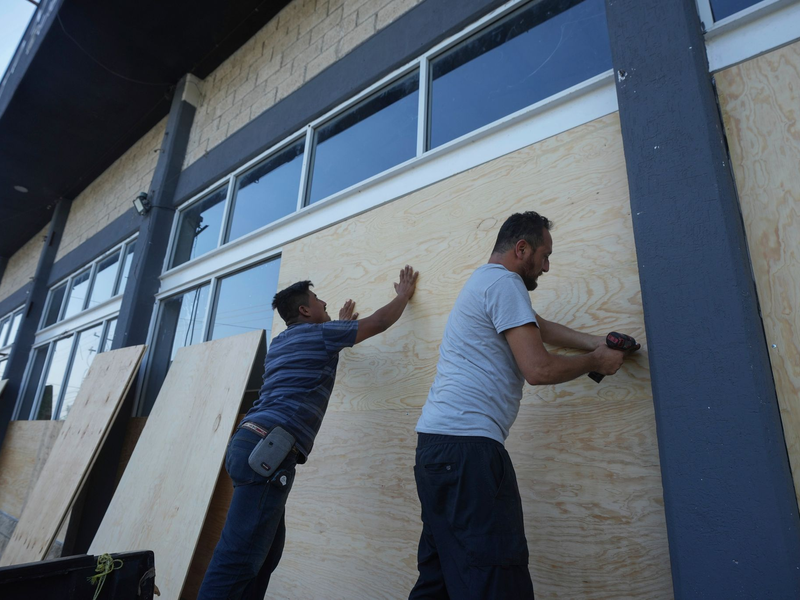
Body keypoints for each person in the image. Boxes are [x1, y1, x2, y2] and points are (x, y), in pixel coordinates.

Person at [409, 212, 639, 600]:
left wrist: (598, 342)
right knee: (497, 579)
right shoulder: (505, 282)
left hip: (435, 450)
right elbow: (538, 369)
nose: (547, 266)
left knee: (440, 580)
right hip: (470, 453)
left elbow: (538, 325)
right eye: (545, 255)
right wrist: (597, 363)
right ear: (522, 249)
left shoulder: (484, 282)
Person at [198, 265, 419, 600]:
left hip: (250, 443)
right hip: (268, 452)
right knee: (239, 559)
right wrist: (402, 296)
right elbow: (378, 323)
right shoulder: (321, 336)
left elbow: (320, 346)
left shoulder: (282, 342)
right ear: (304, 310)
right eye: (318, 300)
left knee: (266, 552)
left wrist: (337, 324)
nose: (324, 301)